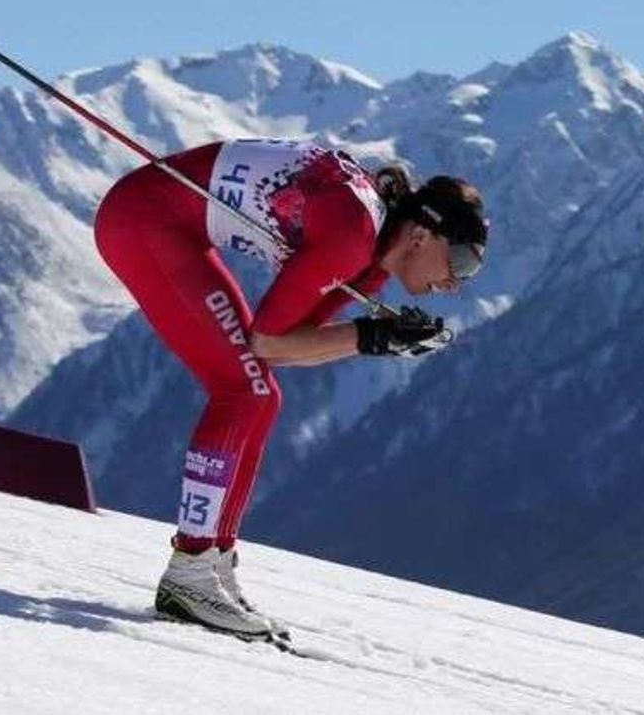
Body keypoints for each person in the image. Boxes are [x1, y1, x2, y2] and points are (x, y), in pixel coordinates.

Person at [93, 138, 487, 639]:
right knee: (243, 391)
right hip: (144, 220)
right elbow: (269, 340)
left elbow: (281, 350)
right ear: (422, 235)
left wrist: (377, 341)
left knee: (261, 393)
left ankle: (211, 564)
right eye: (462, 261)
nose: (458, 283)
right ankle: (190, 570)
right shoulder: (353, 232)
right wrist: (371, 337)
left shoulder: (370, 266)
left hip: (168, 223)